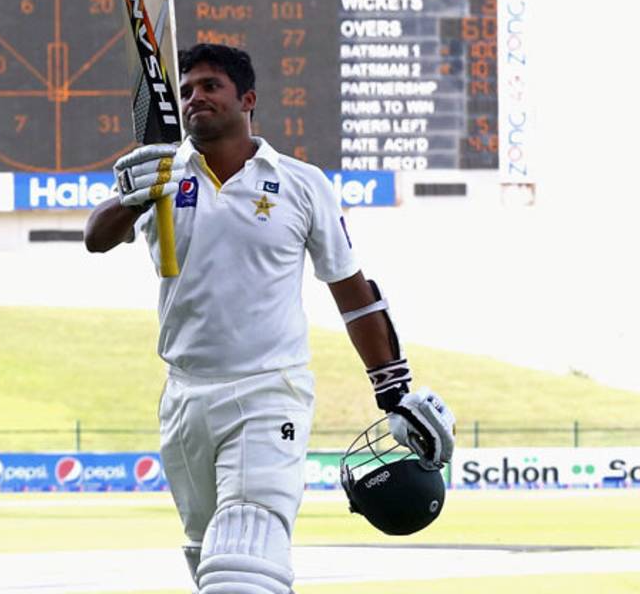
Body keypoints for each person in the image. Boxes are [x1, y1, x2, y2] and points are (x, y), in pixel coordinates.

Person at [84, 43, 455, 593]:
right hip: (184, 397)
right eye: (186, 91)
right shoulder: (161, 178)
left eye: (210, 86)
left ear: (247, 99)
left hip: (269, 389)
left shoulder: (303, 184)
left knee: (246, 547)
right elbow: (96, 239)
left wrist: (393, 388)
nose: (194, 98)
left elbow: (353, 292)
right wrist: (130, 199)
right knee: (209, 554)